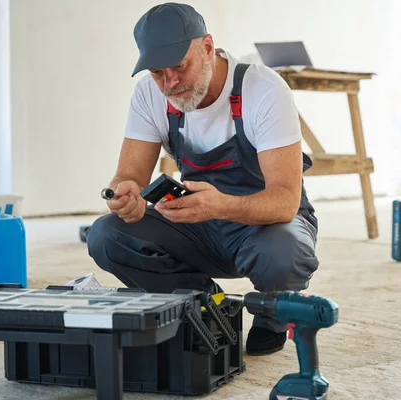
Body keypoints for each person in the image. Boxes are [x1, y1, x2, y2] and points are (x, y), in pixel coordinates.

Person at [85, 2, 319, 356]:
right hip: (199, 226)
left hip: (264, 227)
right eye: (157, 72)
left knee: (283, 251)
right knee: (106, 235)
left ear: (207, 47)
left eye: (179, 66)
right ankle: (207, 305)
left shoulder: (264, 90)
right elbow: (129, 174)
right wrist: (126, 194)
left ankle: (271, 314)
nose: (170, 83)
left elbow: (285, 201)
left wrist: (220, 205)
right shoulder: (151, 96)